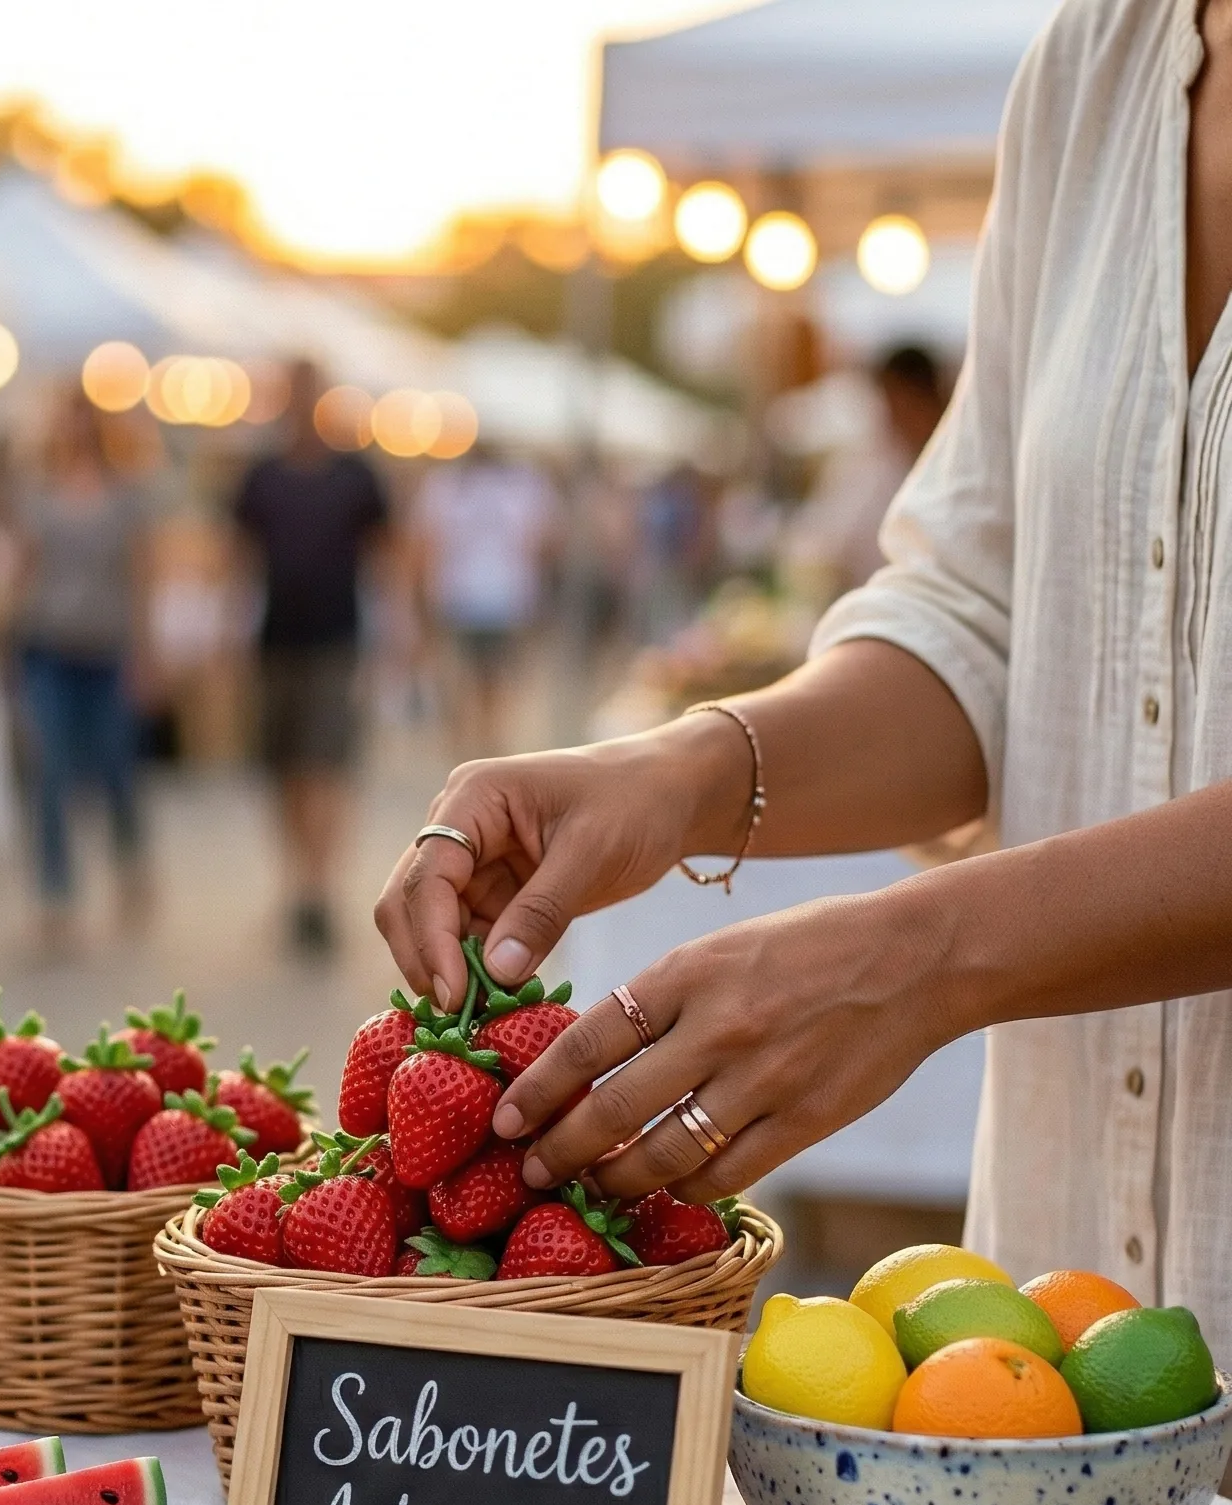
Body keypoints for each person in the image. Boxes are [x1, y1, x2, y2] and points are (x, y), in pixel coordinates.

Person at [375, 0, 1232, 1383]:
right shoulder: (1095, 64)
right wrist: (683, 770)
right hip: (1045, 1361)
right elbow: (983, 615)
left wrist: (924, 958)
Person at [234, 360, 390, 955]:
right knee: (283, 769)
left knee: (324, 764)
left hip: (335, 639)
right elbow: (239, 556)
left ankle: (317, 888)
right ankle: (298, 879)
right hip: (274, 640)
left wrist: (403, 636)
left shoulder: (355, 476)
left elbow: (388, 553)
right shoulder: (261, 476)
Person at [11, 386, 155, 949]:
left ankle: (130, 860)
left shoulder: (126, 496)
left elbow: (141, 575)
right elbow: (24, 567)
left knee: (117, 769)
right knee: (48, 773)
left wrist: (147, 652)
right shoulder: (38, 494)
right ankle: (56, 896)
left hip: (108, 649)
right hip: (50, 646)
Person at [412, 442, 560, 758]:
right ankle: (483, 750)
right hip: (492, 599)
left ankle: (473, 752)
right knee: (485, 683)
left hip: (473, 599)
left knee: (474, 683)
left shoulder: (446, 485)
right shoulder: (522, 486)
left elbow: (426, 546)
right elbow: (546, 543)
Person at [782, 344, 950, 600]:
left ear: (930, 398)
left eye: (904, 403)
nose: (895, 416)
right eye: (890, 404)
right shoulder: (871, 463)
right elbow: (825, 542)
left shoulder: (949, 469)